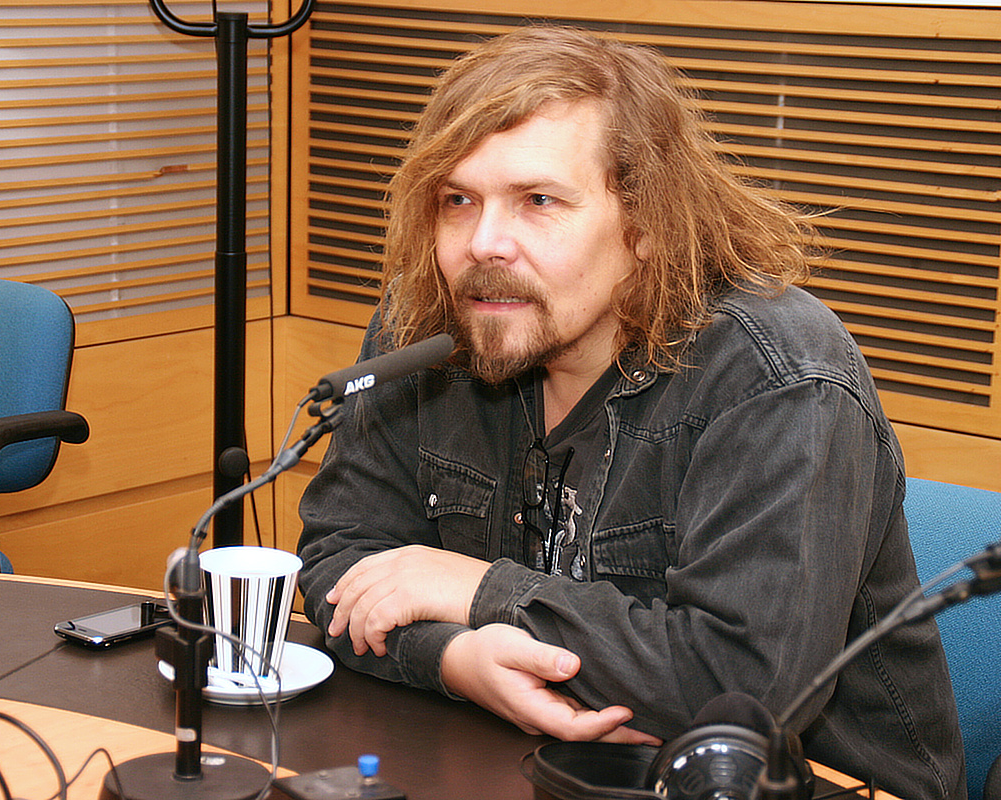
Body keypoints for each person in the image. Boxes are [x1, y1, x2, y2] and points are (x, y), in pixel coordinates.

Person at [296, 25, 965, 800]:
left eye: (538, 201)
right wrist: (454, 659)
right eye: (458, 201)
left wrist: (479, 593)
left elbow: (743, 686)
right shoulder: (430, 327)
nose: (484, 244)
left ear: (646, 225)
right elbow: (341, 559)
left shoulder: (777, 376)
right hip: (538, 767)